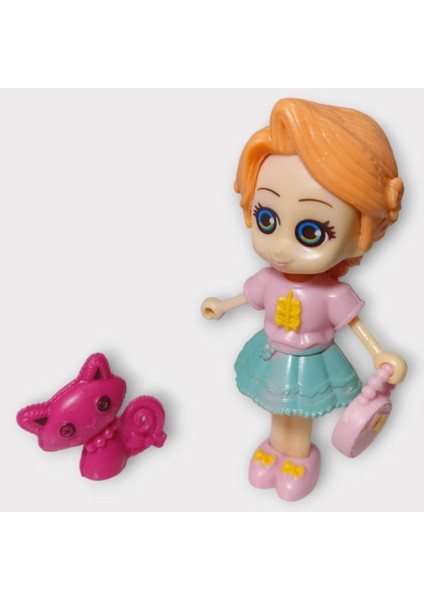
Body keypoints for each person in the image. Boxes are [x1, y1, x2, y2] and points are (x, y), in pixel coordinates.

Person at [201, 98, 407, 501]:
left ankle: (297, 456)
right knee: (278, 407)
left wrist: (380, 353)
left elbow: (354, 325)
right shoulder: (269, 279)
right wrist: (222, 306)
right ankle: (274, 448)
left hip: (311, 360)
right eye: (267, 219)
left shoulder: (332, 293)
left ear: (362, 232)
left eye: (310, 232)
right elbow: (248, 296)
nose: (281, 248)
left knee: (299, 413)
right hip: (273, 353)